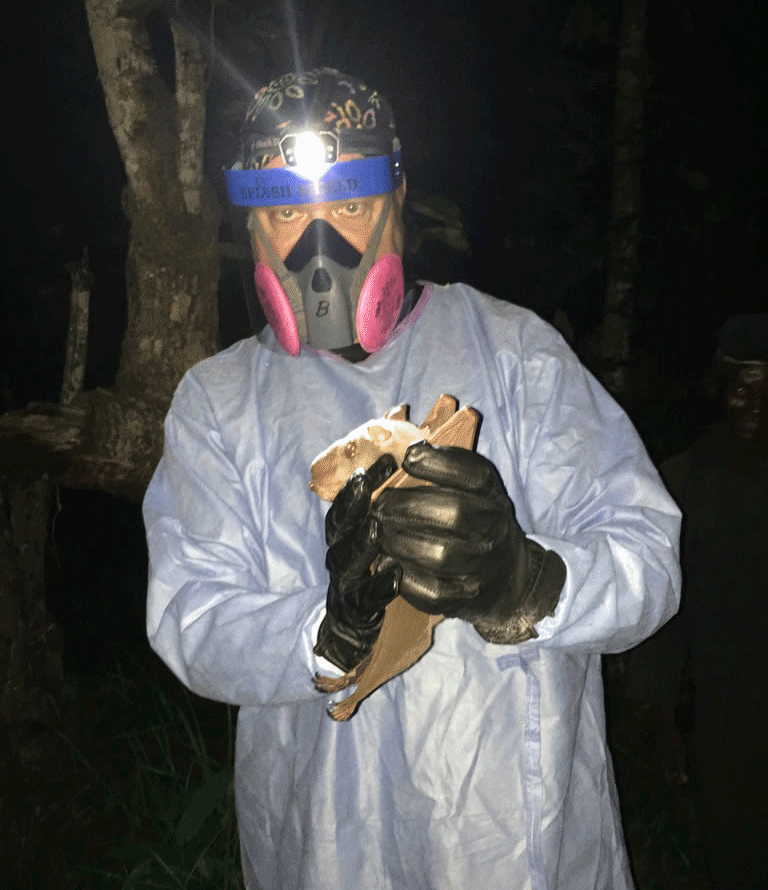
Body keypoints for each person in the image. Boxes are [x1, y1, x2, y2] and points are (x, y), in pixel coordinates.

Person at [143, 68, 681, 890]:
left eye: (350, 205)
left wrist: (524, 581)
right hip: (323, 852)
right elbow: (192, 618)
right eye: (287, 211)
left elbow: (650, 559)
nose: (319, 247)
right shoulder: (218, 404)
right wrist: (326, 634)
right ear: (251, 225)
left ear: (399, 198)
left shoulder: (516, 355)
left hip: (523, 847)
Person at [625, 314, 768, 890]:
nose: (749, 398)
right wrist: (660, 718)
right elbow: (664, 614)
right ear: (718, 384)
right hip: (724, 715)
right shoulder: (682, 482)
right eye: (739, 380)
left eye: (765, 382)